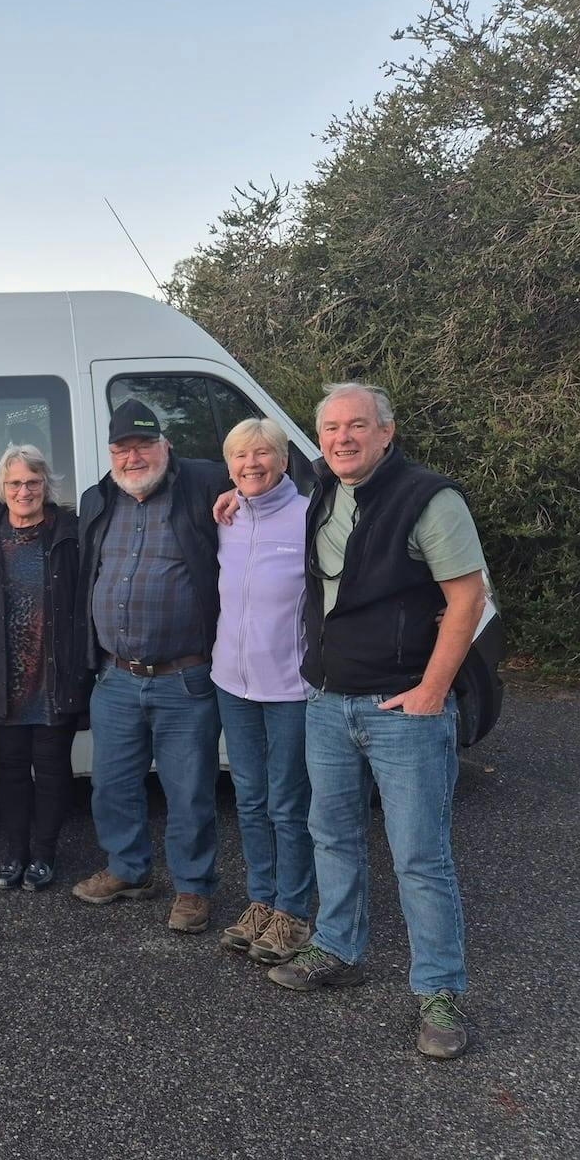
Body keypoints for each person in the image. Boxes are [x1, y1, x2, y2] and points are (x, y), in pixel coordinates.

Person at [265, 383, 487, 1061]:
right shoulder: (324, 490)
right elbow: (244, 471)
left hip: (401, 712)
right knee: (332, 836)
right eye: (330, 427)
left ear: (387, 432)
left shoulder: (429, 497)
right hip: (328, 703)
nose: (341, 438)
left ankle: (440, 993)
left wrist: (431, 691)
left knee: (419, 856)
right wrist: (226, 495)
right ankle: (337, 947)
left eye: (357, 425)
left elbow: (468, 595)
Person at [70, 399, 232, 933]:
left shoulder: (207, 483)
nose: (132, 457)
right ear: (111, 453)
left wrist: (242, 495)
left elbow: (273, 477)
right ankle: (128, 870)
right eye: (122, 448)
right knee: (111, 785)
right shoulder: (99, 500)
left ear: (163, 445)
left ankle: (192, 888)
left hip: (184, 677)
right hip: (115, 676)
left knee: (188, 791)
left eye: (142, 445)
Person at [0, 444, 89, 890]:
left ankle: (44, 855)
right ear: (1, 488)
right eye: (14, 483)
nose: (24, 491)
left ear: (45, 485)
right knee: (10, 768)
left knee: (51, 769)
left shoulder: (70, 530)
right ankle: (16, 854)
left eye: (33, 482)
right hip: (1, 675)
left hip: (54, 673)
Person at [210, 418, 315, 965]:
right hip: (232, 682)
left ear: (283, 459)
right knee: (250, 801)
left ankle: (293, 913)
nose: (251, 464)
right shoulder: (226, 516)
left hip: (291, 686)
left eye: (262, 454)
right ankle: (260, 901)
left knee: (288, 802)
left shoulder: (308, 517)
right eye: (240, 457)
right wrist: (231, 497)